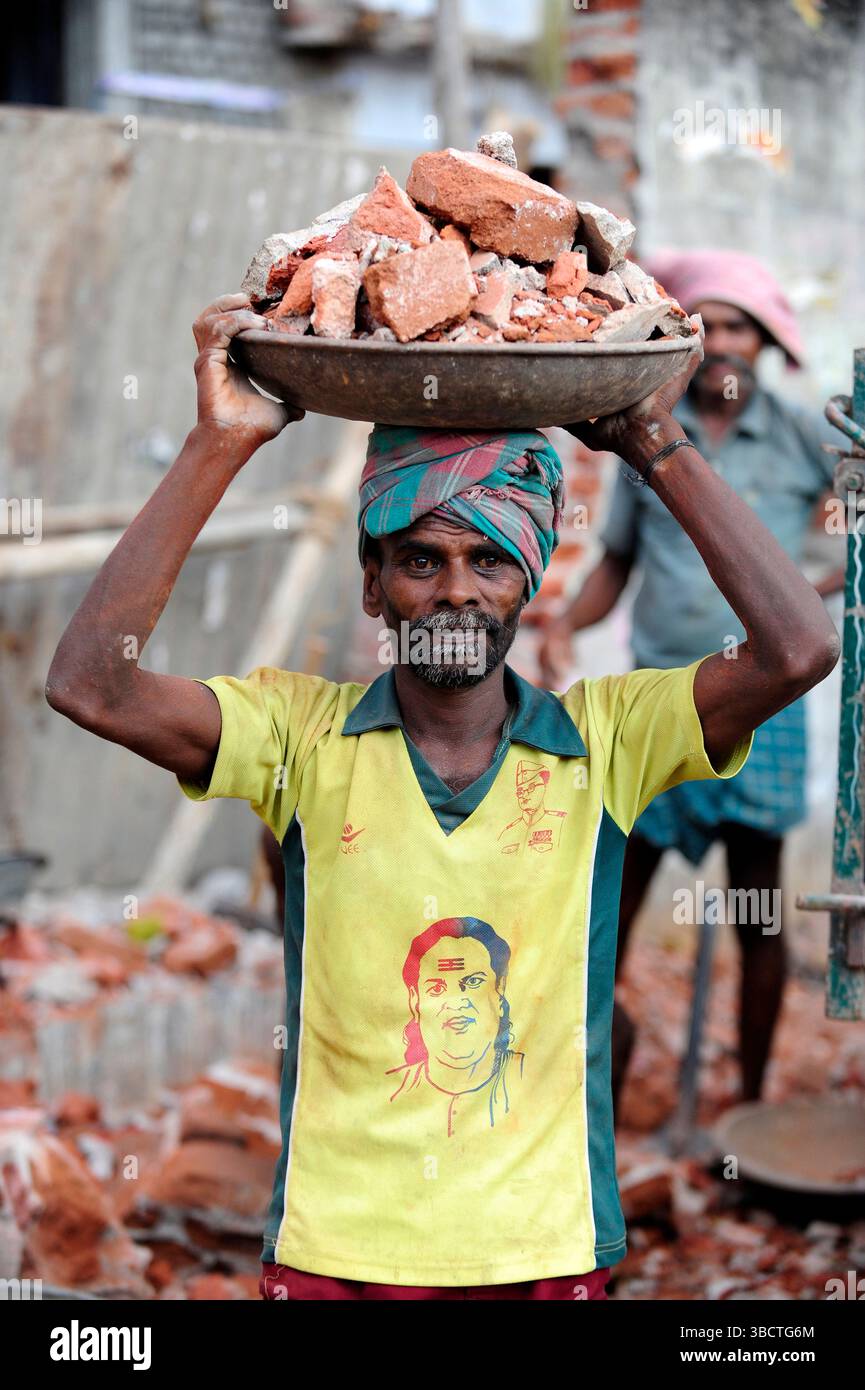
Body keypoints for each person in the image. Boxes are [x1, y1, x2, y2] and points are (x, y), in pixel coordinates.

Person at [45, 292, 839, 1301]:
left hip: (543, 1249)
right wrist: (220, 442)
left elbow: (796, 649)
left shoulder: (606, 742)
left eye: (489, 559)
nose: (456, 590)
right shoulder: (300, 735)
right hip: (338, 1248)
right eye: (420, 558)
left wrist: (652, 438)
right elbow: (89, 684)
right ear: (373, 584)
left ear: (532, 580)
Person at [539, 251, 846, 1111]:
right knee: (611, 898)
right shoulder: (643, 440)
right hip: (655, 699)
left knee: (757, 914)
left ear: (766, 345)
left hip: (764, 702)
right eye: (704, 324)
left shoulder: (796, 437)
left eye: (739, 326)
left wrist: (805, 589)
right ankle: (593, 1087)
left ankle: (745, 1107)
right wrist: (564, 626)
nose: (721, 344)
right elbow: (618, 561)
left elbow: (844, 535)